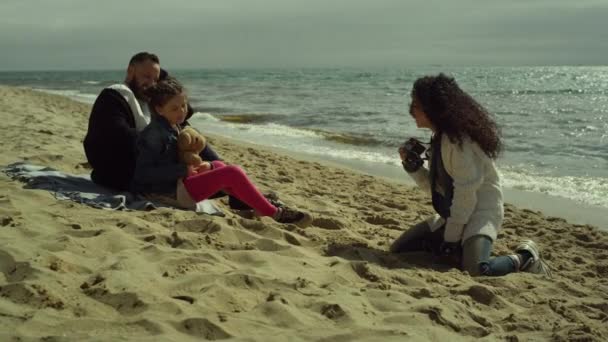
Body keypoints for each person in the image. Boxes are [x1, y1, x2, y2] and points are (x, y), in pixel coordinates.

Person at [390, 73, 550, 277]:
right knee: (398, 249)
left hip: (480, 213)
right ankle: (455, 247)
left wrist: (450, 240)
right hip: (454, 213)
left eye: (415, 104)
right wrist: (413, 168)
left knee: (476, 269)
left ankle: (526, 258)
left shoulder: (459, 143)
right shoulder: (440, 137)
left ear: (432, 108)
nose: (411, 110)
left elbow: (466, 196)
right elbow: (438, 190)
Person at [131, 77, 312, 226]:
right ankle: (275, 213)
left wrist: (202, 166)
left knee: (217, 165)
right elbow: (142, 174)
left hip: (176, 184)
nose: (181, 112)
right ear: (159, 109)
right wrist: (183, 171)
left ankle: (258, 205)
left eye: (183, 105)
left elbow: (174, 158)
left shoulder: (172, 126)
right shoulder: (153, 134)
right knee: (232, 172)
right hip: (165, 193)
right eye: (174, 108)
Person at [83, 52, 220, 191]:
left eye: (156, 79)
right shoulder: (112, 96)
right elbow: (119, 136)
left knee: (184, 126)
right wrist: (168, 142)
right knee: (176, 129)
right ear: (131, 71)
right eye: (146, 76)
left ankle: (217, 165)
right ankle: (214, 170)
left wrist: (163, 80)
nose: (151, 84)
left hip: (154, 166)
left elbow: (187, 112)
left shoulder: (148, 98)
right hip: (122, 173)